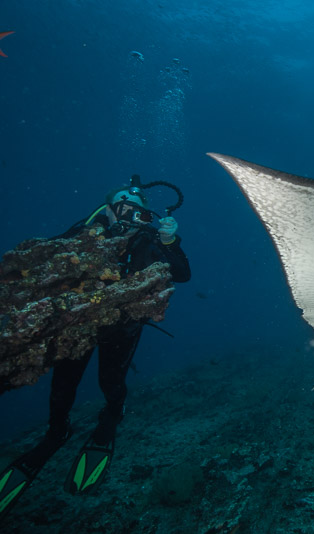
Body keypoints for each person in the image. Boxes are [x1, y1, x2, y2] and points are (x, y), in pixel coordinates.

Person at [0, 179, 190, 520]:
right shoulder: (84, 233)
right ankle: (56, 431)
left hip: (123, 327)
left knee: (111, 381)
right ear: (108, 207)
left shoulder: (147, 239)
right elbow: (44, 262)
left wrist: (169, 240)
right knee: (63, 387)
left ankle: (111, 417)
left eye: (137, 206)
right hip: (79, 328)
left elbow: (182, 273)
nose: (130, 211)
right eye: (122, 204)